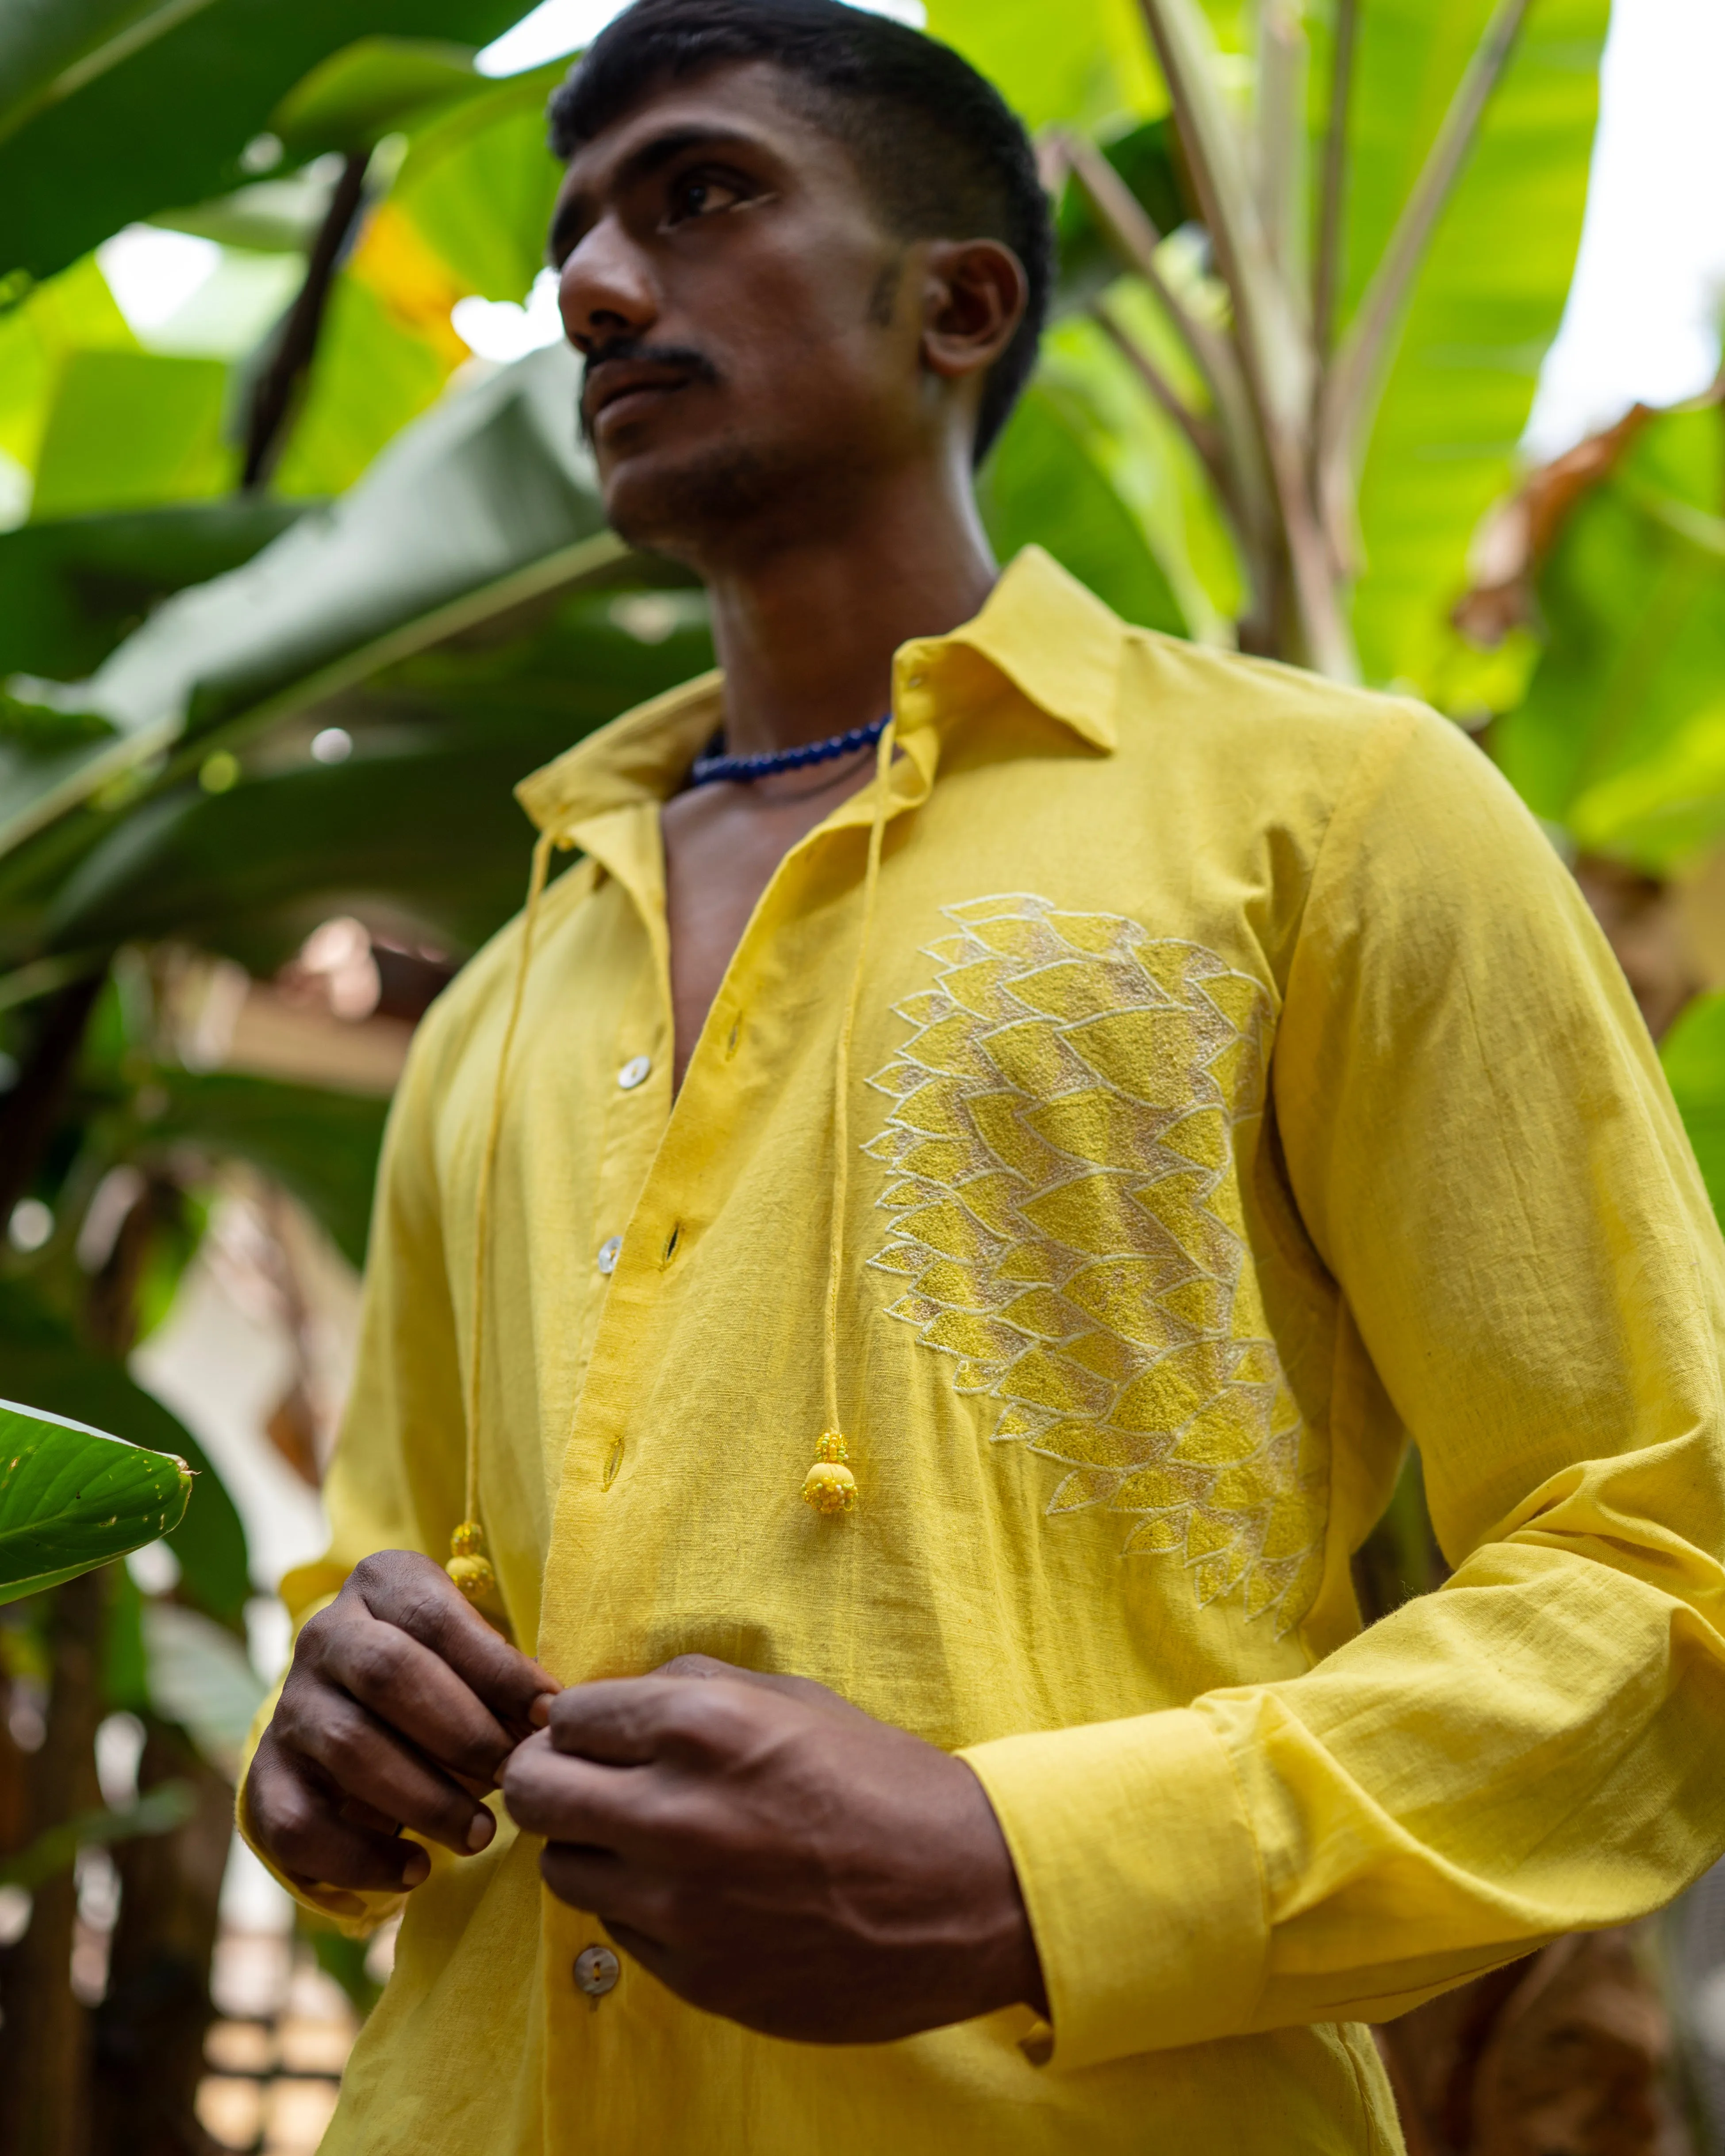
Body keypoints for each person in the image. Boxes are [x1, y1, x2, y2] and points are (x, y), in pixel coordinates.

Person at [237, 2, 1725, 2149]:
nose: (590, 284)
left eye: (701, 193)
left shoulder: (1329, 817)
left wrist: (1037, 1875)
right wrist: (334, 1736)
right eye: (575, 234)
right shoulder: (501, 992)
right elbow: (387, 1580)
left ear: (960, 300)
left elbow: (1655, 1578)